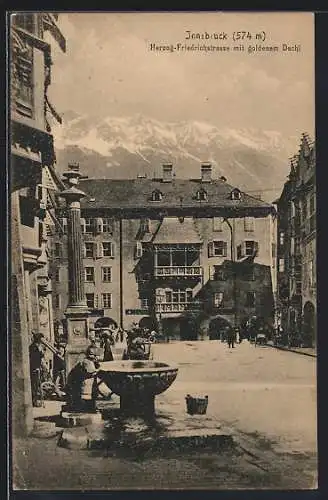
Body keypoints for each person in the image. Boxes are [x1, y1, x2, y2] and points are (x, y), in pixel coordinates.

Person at [65, 346, 101, 412]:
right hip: (78, 383)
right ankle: (87, 407)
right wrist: (98, 371)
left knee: (91, 391)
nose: (96, 357)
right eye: (94, 355)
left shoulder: (89, 361)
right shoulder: (86, 362)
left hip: (80, 382)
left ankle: (89, 406)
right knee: (86, 393)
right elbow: (90, 372)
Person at [29, 332, 46, 406]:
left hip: (37, 367)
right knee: (34, 386)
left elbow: (41, 356)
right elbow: (35, 358)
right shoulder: (33, 347)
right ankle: (34, 402)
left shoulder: (35, 347)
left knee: (36, 385)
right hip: (34, 368)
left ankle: (35, 400)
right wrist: (36, 368)